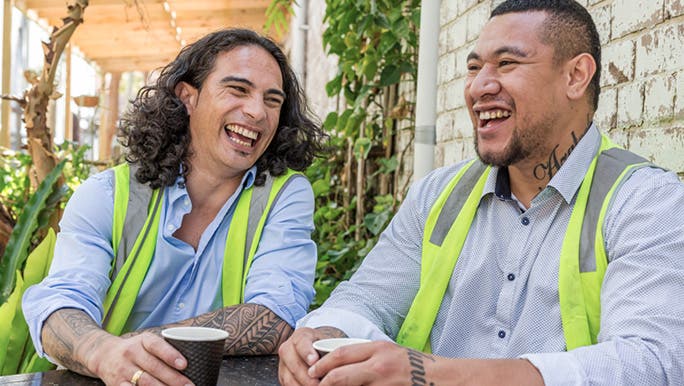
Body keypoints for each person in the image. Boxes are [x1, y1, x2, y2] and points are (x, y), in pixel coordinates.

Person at [278, 1, 684, 385]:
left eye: (507, 63)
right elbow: (366, 298)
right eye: (474, 67)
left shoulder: (646, 202)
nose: (479, 86)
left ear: (575, 76)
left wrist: (432, 374)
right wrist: (325, 332)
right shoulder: (437, 195)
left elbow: (653, 363)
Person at [22, 28, 326, 386]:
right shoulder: (107, 194)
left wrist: (132, 346)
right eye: (238, 90)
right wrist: (101, 353)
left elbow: (276, 316)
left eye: (272, 100)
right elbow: (60, 304)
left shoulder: (284, 196)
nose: (257, 111)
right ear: (188, 97)